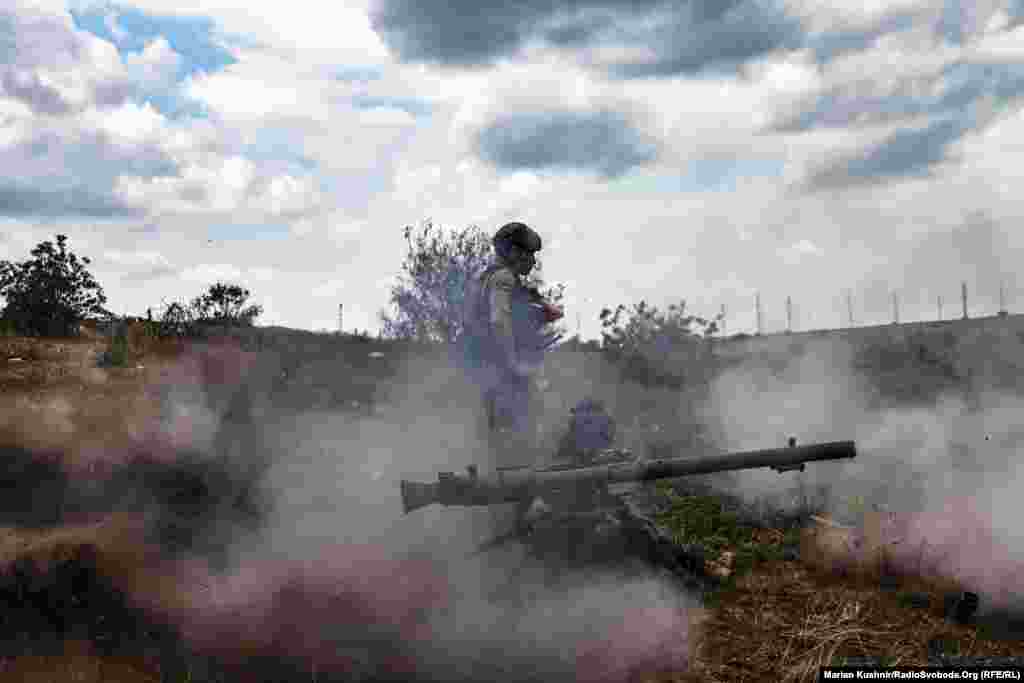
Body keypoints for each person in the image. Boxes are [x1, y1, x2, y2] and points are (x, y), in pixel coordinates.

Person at [464, 222, 563, 464]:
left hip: (487, 369)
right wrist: (513, 363)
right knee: (517, 436)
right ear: (514, 253)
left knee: (504, 437)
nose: (532, 261)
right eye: (530, 253)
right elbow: (499, 321)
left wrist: (539, 308)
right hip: (501, 370)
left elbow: (549, 310)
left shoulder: (492, 278)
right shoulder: (503, 279)